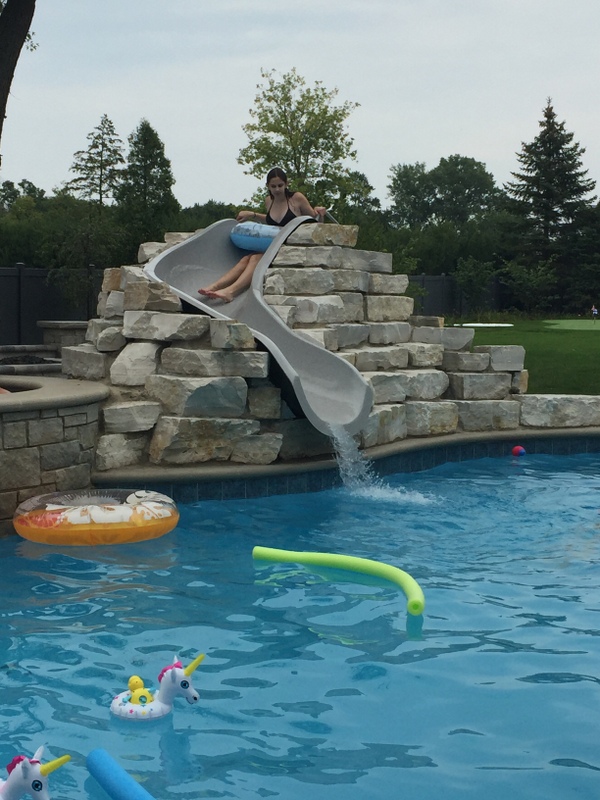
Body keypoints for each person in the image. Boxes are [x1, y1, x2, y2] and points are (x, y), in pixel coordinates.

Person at [198, 168, 326, 303]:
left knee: (255, 258)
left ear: (287, 184)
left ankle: (230, 292)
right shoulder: (269, 201)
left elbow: (315, 222)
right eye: (273, 186)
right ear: (268, 186)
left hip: (289, 246)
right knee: (246, 258)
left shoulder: (296, 198)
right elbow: (273, 221)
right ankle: (214, 287)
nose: (277, 189)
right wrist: (252, 215)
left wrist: (320, 213)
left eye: (280, 185)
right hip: (273, 243)